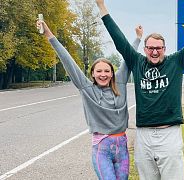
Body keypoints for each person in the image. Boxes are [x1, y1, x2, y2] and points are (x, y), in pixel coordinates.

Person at [95, 0, 184, 179]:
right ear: (145, 49)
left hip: (169, 134)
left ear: (164, 49)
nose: (155, 52)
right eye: (150, 48)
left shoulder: (176, 61)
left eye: (158, 48)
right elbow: (118, 39)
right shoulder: (137, 62)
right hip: (143, 136)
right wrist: (101, 6)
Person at [36, 20, 143, 179]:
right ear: (92, 74)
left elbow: (129, 57)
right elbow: (67, 60)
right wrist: (48, 34)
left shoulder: (120, 82)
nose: (103, 74)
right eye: (98, 71)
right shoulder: (87, 89)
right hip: (102, 149)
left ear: (112, 73)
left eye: (107, 71)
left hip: (122, 147)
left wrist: (138, 39)